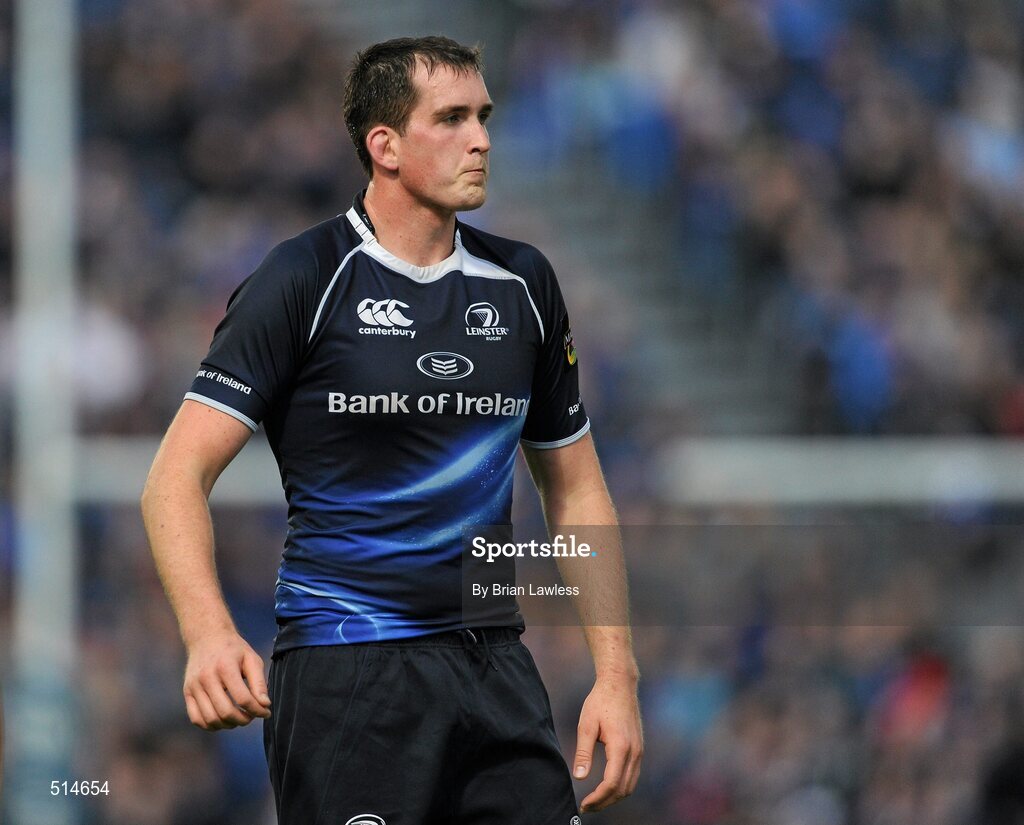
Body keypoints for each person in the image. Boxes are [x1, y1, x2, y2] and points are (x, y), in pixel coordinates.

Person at [141, 35, 642, 824]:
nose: (481, 138)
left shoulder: (524, 285)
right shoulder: (302, 278)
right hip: (348, 672)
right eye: (450, 118)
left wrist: (616, 675)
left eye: (483, 116)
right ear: (386, 146)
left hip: (496, 668)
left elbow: (576, 490)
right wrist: (207, 633)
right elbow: (174, 477)